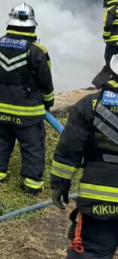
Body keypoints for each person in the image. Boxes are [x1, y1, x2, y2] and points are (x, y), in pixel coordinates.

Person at [0, 2, 55, 193]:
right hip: (27, 112)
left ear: (10, 24)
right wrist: (48, 102)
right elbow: (45, 82)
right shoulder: (37, 51)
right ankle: (32, 185)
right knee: (32, 146)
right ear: (32, 26)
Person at [50, 55, 118, 258]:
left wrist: (59, 184)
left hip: (100, 200)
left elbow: (69, 149)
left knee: (91, 252)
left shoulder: (91, 104)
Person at [94, 0, 118, 88]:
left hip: (113, 43)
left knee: (109, 63)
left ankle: (109, 84)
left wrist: (105, 35)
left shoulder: (110, 10)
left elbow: (108, 25)